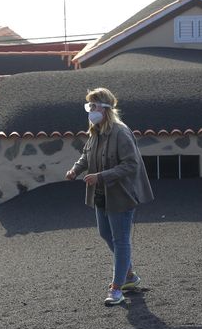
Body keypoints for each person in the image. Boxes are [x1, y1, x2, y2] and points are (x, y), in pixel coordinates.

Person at [65, 87, 154, 306]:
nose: (90, 110)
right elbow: (86, 156)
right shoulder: (95, 132)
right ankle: (130, 275)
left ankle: (117, 289)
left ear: (105, 109)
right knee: (105, 233)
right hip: (101, 194)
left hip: (121, 195)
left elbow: (131, 165)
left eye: (93, 106)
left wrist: (101, 176)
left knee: (120, 240)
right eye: (89, 106)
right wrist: (75, 170)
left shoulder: (121, 132)